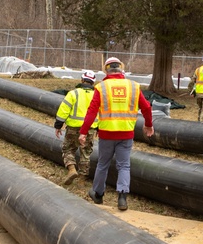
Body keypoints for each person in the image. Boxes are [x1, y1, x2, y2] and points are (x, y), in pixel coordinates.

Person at [79, 57, 154, 211]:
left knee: (102, 165)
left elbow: (92, 111)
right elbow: (146, 108)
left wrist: (83, 132)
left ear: (106, 69)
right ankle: (122, 197)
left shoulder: (102, 87)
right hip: (126, 134)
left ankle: (98, 194)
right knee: (124, 166)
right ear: (121, 69)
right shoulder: (133, 86)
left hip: (107, 134)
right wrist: (148, 125)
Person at [54, 70, 99, 185]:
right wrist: (99, 128)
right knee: (86, 152)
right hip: (89, 129)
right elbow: (101, 113)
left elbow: (64, 110)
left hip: (73, 128)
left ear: (82, 80)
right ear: (93, 82)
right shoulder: (97, 95)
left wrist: (58, 125)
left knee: (68, 148)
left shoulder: (73, 93)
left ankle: (71, 169)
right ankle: (82, 179)